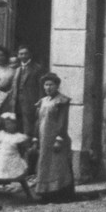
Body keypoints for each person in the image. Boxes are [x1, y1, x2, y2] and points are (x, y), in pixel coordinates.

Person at [30, 73, 75, 204]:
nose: (48, 87)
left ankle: (60, 193)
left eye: (51, 85)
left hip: (56, 138)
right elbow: (38, 121)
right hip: (44, 138)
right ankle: (45, 193)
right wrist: (35, 138)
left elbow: (62, 122)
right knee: (45, 164)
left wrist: (59, 139)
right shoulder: (43, 101)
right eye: (46, 85)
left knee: (57, 165)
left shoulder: (62, 101)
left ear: (57, 86)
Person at [0, 114, 35, 202]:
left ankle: (29, 195)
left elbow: (24, 148)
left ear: (16, 125)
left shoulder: (19, 136)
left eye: (11, 124)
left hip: (13, 159)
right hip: (1, 158)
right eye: (7, 124)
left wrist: (24, 151)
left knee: (20, 178)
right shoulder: (2, 134)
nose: (9, 126)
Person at [8, 45, 45, 129]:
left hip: (31, 103)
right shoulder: (17, 69)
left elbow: (41, 87)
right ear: (18, 55)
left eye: (25, 53)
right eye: (21, 54)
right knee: (17, 126)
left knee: (29, 127)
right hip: (16, 103)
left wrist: (40, 102)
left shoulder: (37, 68)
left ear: (30, 54)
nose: (23, 56)